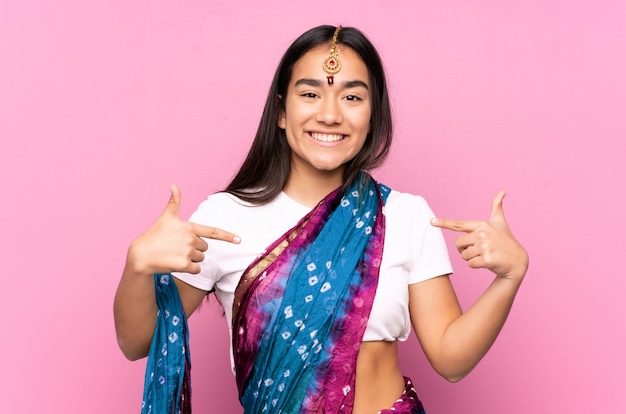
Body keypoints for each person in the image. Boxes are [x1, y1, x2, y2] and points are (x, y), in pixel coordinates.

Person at [114, 25, 529, 414]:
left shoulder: (406, 215)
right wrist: (137, 265)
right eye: (310, 94)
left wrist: (508, 277)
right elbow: (138, 343)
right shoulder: (226, 218)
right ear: (281, 111)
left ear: (373, 114)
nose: (330, 115)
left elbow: (450, 359)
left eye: (352, 97)